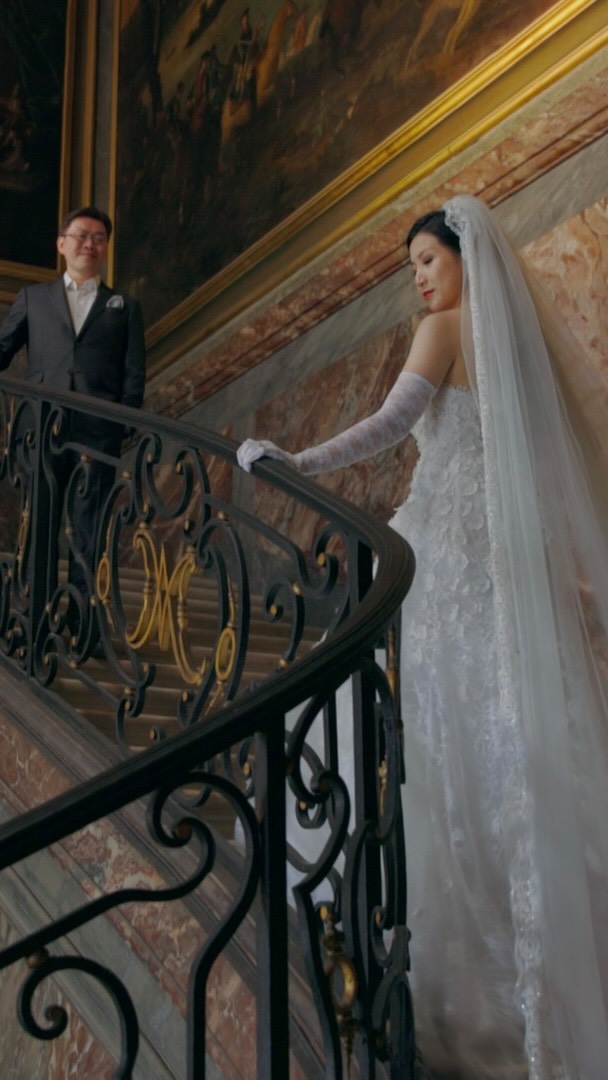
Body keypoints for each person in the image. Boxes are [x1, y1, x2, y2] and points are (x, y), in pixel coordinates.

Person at [237, 195, 608, 1078]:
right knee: (507, 743)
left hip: (442, 567)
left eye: (427, 262)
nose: (420, 281)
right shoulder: (513, 346)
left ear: (465, 258)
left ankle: (447, 974)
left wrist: (296, 461)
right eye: (413, 270)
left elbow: (390, 425)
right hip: (503, 574)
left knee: (441, 742)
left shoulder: (444, 330)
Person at [0, 206, 146, 653]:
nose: (89, 244)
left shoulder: (124, 307)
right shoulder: (33, 298)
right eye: (81, 235)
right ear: (62, 243)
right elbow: (3, 348)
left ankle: (85, 628)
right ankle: (36, 624)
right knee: (40, 527)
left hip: (97, 434)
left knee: (91, 531)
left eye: (99, 237)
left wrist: (122, 423)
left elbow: (133, 377)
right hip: (41, 430)